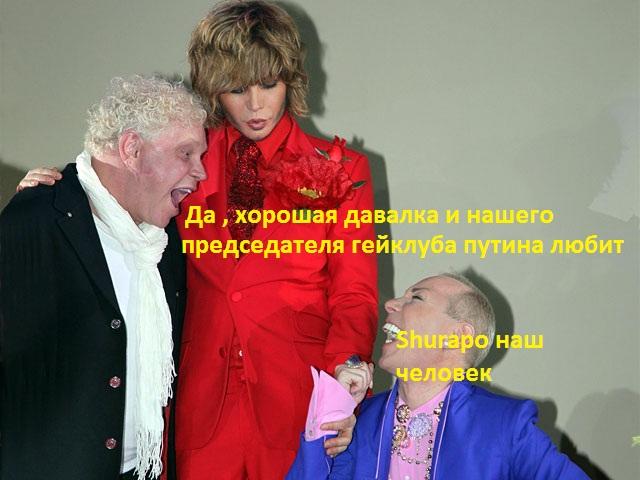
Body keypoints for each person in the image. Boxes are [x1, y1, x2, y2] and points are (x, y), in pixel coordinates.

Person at [16, 2, 378, 478]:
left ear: (290, 79)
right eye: (236, 88)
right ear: (213, 89)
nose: (255, 105)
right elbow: (120, 187)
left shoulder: (341, 169)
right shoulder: (185, 154)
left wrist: (345, 372)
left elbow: (354, 294)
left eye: (268, 84)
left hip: (298, 400)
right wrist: (60, 194)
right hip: (200, 402)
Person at [1, 75, 208, 480]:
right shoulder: (36, 220)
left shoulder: (165, 241)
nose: (199, 171)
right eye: (186, 153)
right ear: (132, 149)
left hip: (143, 470)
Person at [287, 273, 590, 479]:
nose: (391, 304)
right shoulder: (361, 420)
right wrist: (334, 408)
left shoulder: (506, 426)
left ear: (458, 336)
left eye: (417, 298)